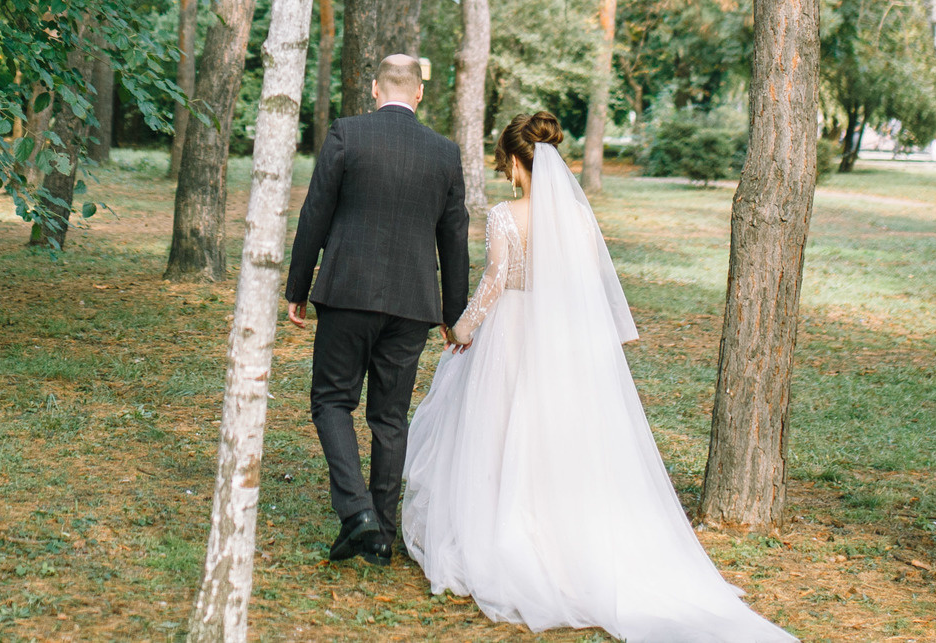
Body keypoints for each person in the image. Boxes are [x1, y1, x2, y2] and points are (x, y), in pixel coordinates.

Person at [402, 113, 796, 643]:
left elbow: (495, 279)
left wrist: (464, 327)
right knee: (560, 432)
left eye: (506, 164)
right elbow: (585, 283)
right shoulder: (579, 219)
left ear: (516, 162)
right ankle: (565, 533)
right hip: (563, 337)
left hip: (511, 334)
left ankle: (505, 528)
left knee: (500, 429)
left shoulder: (503, 215)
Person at [284, 53, 469, 566]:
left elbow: (315, 212)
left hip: (347, 291)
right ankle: (382, 533)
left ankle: (358, 512)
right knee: (390, 417)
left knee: (331, 401)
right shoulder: (444, 152)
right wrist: (453, 314)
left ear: (374, 88)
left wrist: (298, 287)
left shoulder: (347, 134)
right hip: (413, 302)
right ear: (419, 93)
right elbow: (454, 236)